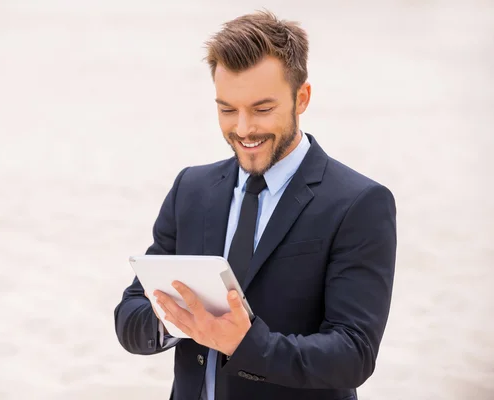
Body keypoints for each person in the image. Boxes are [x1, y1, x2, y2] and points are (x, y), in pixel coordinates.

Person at [114, 10, 396, 400]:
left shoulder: (359, 203)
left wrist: (245, 344)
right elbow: (129, 315)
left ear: (302, 98)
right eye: (227, 109)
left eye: (262, 109)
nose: (243, 129)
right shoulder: (190, 188)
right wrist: (173, 321)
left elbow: (353, 355)